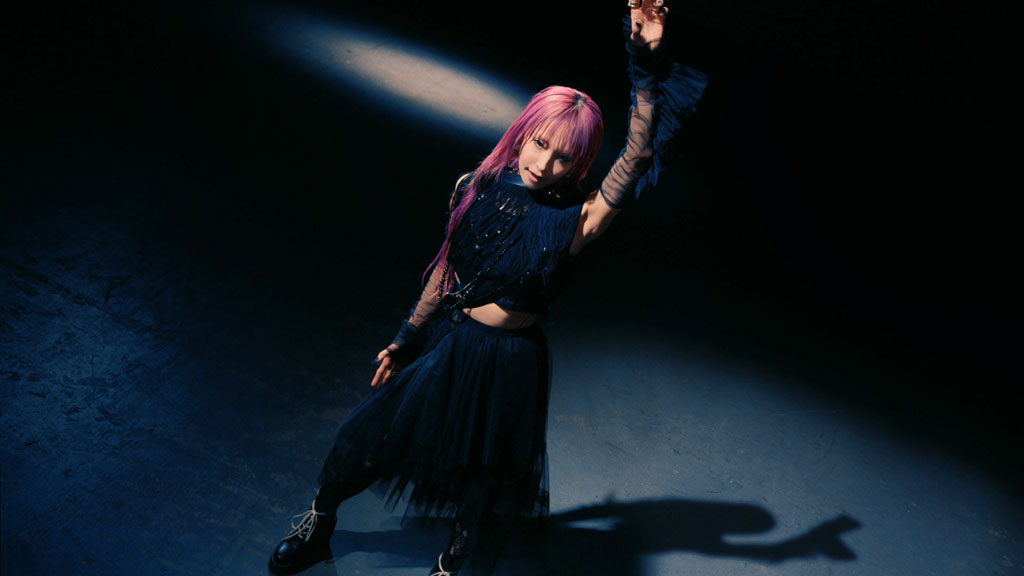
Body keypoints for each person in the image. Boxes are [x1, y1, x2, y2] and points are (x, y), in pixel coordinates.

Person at [269, 2, 707, 574]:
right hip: (453, 345)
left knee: (485, 482)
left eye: (565, 157)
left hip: (512, 364)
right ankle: (319, 522)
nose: (544, 164)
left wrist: (643, 61)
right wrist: (407, 337)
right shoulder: (476, 185)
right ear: (523, 134)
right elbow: (444, 271)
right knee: (372, 437)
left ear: (580, 165)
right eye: (540, 144)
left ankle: (451, 568)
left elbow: (638, 155)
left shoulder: (578, 221)